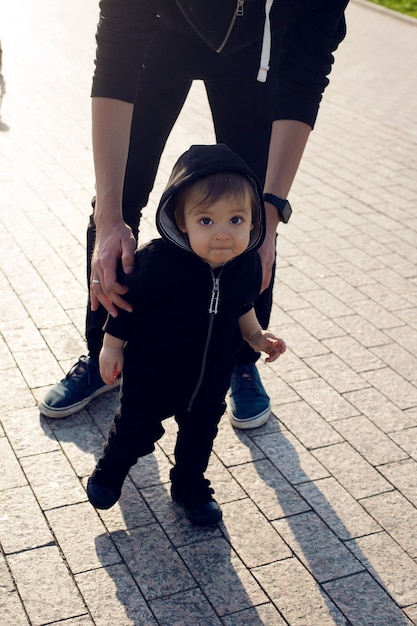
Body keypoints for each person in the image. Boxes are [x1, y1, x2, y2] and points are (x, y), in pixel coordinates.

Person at [39, 0, 349, 428]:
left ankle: (242, 356)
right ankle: (103, 353)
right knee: (118, 204)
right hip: (162, 26)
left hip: (259, 44)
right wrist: (111, 216)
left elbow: (307, 70)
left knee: (251, 211)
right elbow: (116, 51)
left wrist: (272, 216)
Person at [86, 143, 286, 525]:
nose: (223, 235)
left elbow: (242, 307)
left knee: (199, 438)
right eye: (206, 221)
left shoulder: (243, 266)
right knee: (136, 428)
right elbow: (127, 306)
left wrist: (258, 338)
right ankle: (111, 470)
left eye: (237, 220)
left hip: (210, 382)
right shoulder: (156, 263)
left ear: (253, 219)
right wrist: (111, 347)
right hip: (153, 375)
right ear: (181, 220)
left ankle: (190, 486)